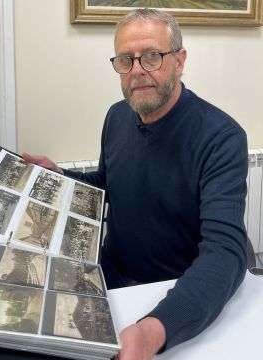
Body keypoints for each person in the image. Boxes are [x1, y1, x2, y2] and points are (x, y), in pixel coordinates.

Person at [22, 8, 248, 360]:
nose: (138, 71)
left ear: (180, 60)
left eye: (152, 56)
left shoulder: (221, 137)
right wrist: (60, 178)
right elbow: (107, 185)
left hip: (172, 291)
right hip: (111, 279)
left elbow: (225, 253)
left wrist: (153, 330)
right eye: (126, 60)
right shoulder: (117, 115)